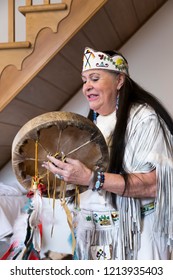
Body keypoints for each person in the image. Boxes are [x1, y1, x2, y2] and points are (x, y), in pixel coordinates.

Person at [42, 47, 173, 260]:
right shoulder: (90, 125)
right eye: (84, 80)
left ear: (119, 80)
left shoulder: (143, 118)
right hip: (96, 235)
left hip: (138, 235)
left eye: (94, 78)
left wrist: (93, 178)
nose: (86, 87)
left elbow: (157, 184)